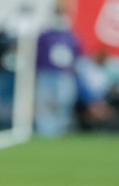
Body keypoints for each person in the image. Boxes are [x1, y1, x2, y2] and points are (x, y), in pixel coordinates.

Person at [33, 2, 82, 136]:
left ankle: (60, 127)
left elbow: (78, 54)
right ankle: (46, 129)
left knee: (64, 101)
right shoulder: (45, 34)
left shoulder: (71, 35)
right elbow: (38, 54)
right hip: (47, 72)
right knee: (45, 102)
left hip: (65, 74)